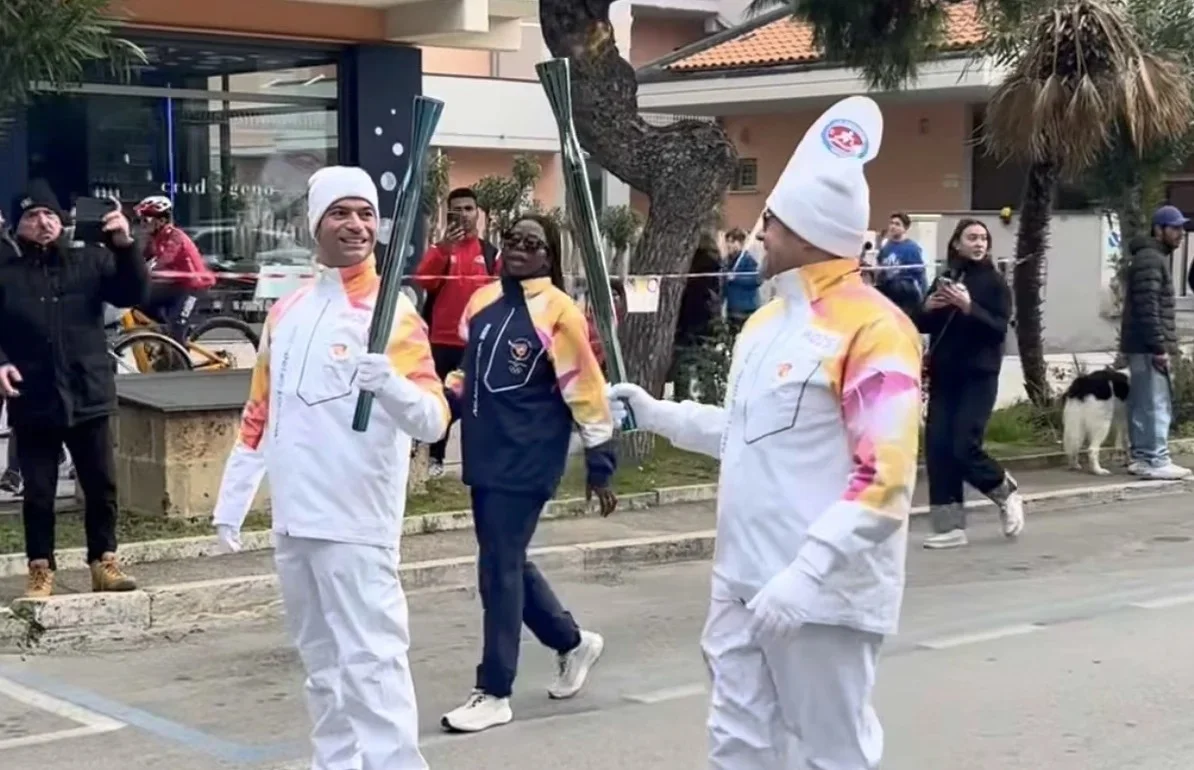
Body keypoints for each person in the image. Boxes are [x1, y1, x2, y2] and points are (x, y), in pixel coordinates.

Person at [610, 97, 920, 770]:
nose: (759, 232)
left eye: (772, 220)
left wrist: (808, 574)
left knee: (830, 753)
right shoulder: (764, 324)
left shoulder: (875, 328)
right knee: (737, 745)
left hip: (821, 596)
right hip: (742, 582)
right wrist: (659, 414)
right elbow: (746, 436)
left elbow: (886, 478)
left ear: (808, 229)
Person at [212, 167, 448, 770]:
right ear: (315, 222)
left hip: (356, 520)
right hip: (295, 521)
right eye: (341, 213)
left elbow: (433, 420)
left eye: (366, 214)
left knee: (372, 666)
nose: (356, 225)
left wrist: (391, 387)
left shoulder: (391, 312)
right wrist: (233, 500)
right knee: (322, 669)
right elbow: (260, 411)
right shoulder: (286, 311)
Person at [439, 214, 617, 734]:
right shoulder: (481, 303)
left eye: (532, 243)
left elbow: (587, 390)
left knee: (497, 569)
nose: (518, 248)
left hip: (530, 454)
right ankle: (572, 641)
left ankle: (494, 690)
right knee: (505, 559)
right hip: (484, 453)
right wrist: (439, 404)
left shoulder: (560, 312)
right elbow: (466, 372)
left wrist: (601, 463)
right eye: (512, 239)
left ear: (549, 255)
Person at [0, 181, 147, 597]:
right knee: (40, 493)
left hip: (89, 390)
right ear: (17, 227)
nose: (42, 223)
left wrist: (125, 245)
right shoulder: (6, 274)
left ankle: (104, 562)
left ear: (62, 220)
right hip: (34, 396)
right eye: (31, 217)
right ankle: (40, 568)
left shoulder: (91, 260)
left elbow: (134, 292)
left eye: (49, 214)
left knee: (101, 486)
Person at [915, 219, 1025, 550]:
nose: (978, 243)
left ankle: (1003, 488)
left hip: (979, 375)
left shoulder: (994, 283)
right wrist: (927, 308)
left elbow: (997, 329)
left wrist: (968, 307)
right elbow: (925, 324)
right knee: (938, 449)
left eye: (983, 238)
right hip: (945, 374)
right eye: (972, 238)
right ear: (957, 244)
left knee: (963, 445)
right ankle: (949, 527)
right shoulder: (946, 279)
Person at [412, 187, 499, 477]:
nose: (462, 214)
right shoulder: (440, 250)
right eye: (456, 209)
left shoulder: (490, 254)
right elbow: (424, 281)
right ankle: (433, 460)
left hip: (477, 343)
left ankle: (478, 463)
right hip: (440, 342)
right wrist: (443, 249)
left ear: (478, 214)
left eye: (468, 209)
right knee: (440, 403)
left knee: (478, 404)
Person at [1122, 205, 1192, 480]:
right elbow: (1148, 306)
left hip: (1139, 344)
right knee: (1155, 402)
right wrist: (1160, 347)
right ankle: (1156, 458)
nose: (1181, 234)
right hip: (1148, 346)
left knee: (1142, 402)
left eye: (1182, 228)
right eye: (1175, 228)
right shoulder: (1152, 260)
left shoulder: (1148, 257)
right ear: (1159, 229)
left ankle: (1142, 457)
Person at [133, 195, 216, 343]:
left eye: (146, 219)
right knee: (138, 301)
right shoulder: (154, 238)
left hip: (193, 287)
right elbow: (140, 258)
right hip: (175, 286)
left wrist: (146, 271)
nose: (142, 223)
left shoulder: (175, 236)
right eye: (141, 219)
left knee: (177, 325)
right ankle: (164, 337)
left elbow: (166, 259)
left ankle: (181, 361)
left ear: (162, 221)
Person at [671, 236, 722, 401]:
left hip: (687, 317)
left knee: (683, 363)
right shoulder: (715, 265)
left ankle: (682, 396)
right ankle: (708, 397)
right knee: (704, 364)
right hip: (706, 317)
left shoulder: (692, 264)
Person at [873, 212, 927, 318]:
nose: (893, 226)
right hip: (889, 292)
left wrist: (923, 300)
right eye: (891, 223)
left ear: (905, 228)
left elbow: (920, 276)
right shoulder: (886, 247)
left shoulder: (912, 249)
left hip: (905, 294)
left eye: (897, 224)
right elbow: (880, 269)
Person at [722, 227, 760, 335]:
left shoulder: (748, 260)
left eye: (732, 241)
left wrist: (736, 278)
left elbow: (756, 280)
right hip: (732, 308)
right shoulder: (727, 261)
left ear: (741, 243)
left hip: (746, 309)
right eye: (728, 242)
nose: (729, 245)